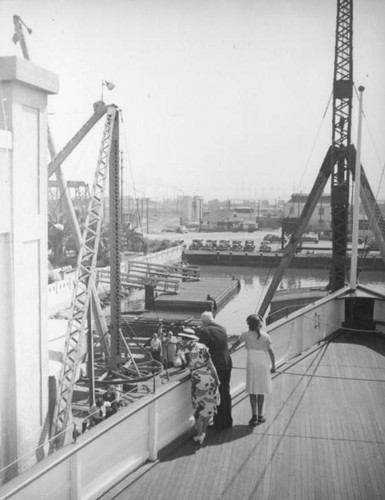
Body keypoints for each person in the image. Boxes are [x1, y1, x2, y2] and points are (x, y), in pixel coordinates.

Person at [230, 314, 276, 427]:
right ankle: (260, 416)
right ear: (259, 324)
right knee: (261, 390)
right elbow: (271, 352)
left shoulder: (245, 335)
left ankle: (254, 416)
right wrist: (274, 366)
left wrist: (229, 350)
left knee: (252, 390)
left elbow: (236, 344)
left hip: (252, 362)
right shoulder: (265, 335)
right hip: (263, 362)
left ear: (248, 324)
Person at [177, 329, 220, 445]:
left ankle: (200, 434)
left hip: (197, 380)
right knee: (208, 407)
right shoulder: (203, 347)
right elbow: (211, 364)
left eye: (183, 339)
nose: (182, 340)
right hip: (209, 377)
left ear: (186, 339)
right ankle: (204, 433)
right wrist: (217, 379)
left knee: (198, 409)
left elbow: (178, 364)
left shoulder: (184, 351)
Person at [198, 310, 233, 430]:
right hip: (227, 363)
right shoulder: (222, 328)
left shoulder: (204, 331)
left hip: (216, 366)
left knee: (217, 394)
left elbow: (201, 349)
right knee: (225, 392)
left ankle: (220, 423)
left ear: (203, 322)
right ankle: (228, 420)